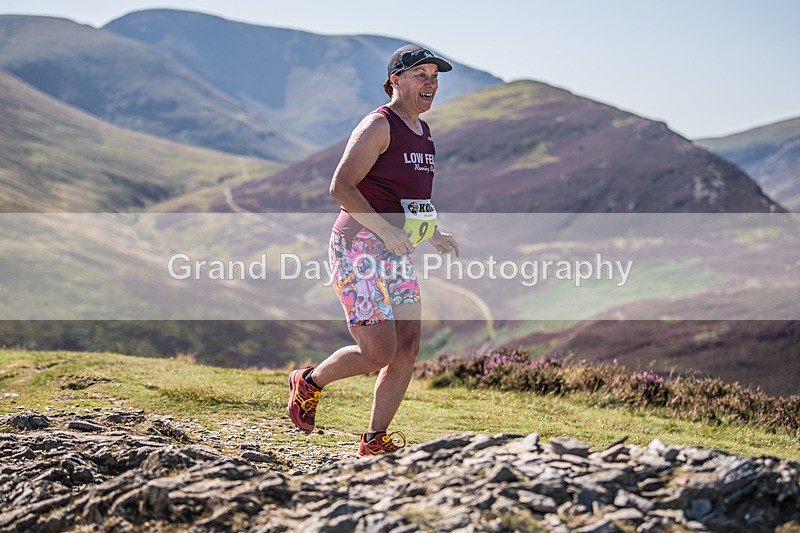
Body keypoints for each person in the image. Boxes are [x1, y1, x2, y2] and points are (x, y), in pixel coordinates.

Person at [287, 44, 460, 456]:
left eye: (435, 76)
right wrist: (384, 230)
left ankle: (374, 440)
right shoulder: (379, 125)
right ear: (395, 80)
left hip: (397, 250)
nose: (431, 83)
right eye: (421, 75)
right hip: (357, 248)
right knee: (377, 350)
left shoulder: (424, 131)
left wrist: (433, 232)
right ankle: (309, 382)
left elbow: (410, 198)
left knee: (408, 345)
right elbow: (341, 187)